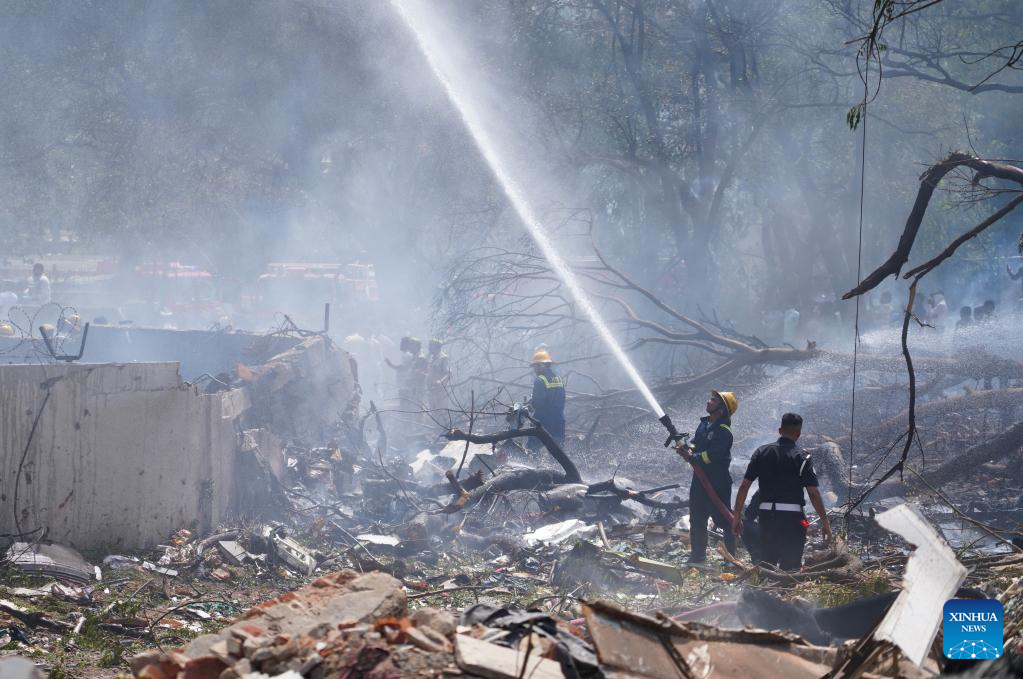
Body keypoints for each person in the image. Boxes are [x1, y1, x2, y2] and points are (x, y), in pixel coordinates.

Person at [732, 413, 832, 571]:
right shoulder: (803, 457)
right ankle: (785, 584)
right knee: (790, 567)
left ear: (780, 431)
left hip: (767, 517)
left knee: (768, 563)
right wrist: (825, 522)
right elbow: (813, 493)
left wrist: (737, 516)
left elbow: (744, 486)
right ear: (798, 434)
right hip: (794, 519)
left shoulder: (761, 452)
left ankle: (764, 583)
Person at [682, 390, 738, 563]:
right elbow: (696, 444)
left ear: (721, 409)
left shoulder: (724, 432)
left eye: (713, 400)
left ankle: (730, 559)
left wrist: (693, 457)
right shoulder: (704, 425)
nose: (709, 401)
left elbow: (712, 456)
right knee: (697, 518)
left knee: (725, 520)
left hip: (717, 482)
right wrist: (686, 447)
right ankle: (697, 557)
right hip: (699, 480)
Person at [528, 349, 565, 450]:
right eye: (534, 366)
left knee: (533, 448)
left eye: (537, 366)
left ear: (544, 365)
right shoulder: (558, 379)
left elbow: (537, 403)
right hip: (559, 419)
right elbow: (562, 399)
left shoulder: (540, 380)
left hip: (543, 420)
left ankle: (531, 460)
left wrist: (531, 403)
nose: (535, 369)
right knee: (558, 451)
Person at [426, 339, 451, 414]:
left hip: (441, 392)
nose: (429, 348)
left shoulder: (443, 358)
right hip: (432, 391)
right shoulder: (431, 358)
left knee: (441, 413)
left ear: (437, 347)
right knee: (433, 413)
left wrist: (440, 381)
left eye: (431, 346)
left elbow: (448, 373)